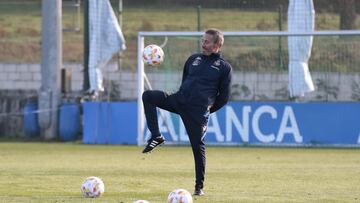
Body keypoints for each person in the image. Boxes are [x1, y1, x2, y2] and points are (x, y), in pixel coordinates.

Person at [141, 28, 232, 196]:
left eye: (207, 41)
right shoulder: (193, 59)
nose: (203, 43)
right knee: (148, 96)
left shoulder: (224, 67)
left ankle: (199, 187)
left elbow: (223, 98)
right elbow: (185, 82)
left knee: (198, 149)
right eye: (202, 40)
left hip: (197, 112)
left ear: (217, 44)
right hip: (179, 100)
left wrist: (206, 111)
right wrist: (181, 96)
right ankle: (156, 136)